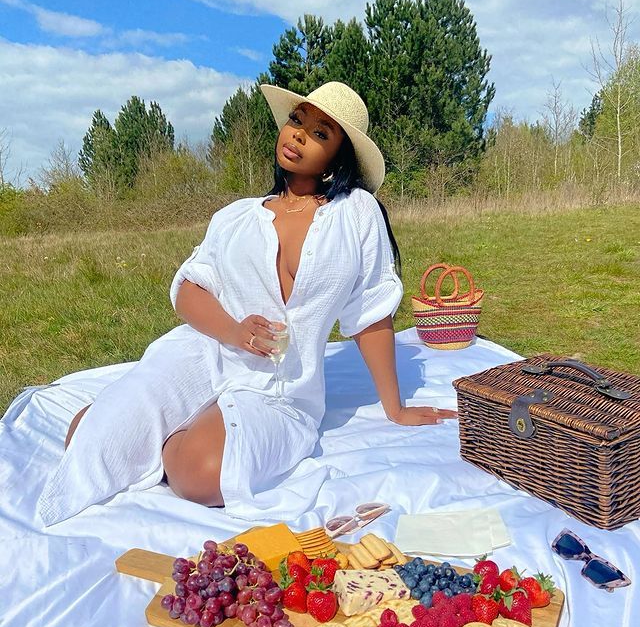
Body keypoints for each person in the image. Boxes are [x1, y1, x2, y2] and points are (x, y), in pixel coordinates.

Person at [38, 81, 457, 526]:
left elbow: (371, 313)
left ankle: (164, 432)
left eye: (320, 133)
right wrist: (233, 331)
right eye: (297, 120)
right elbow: (188, 289)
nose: (297, 134)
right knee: (84, 438)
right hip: (203, 355)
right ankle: (158, 417)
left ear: (339, 156)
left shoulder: (355, 213)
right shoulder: (236, 216)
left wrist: (394, 407)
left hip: (281, 389)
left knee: (198, 476)